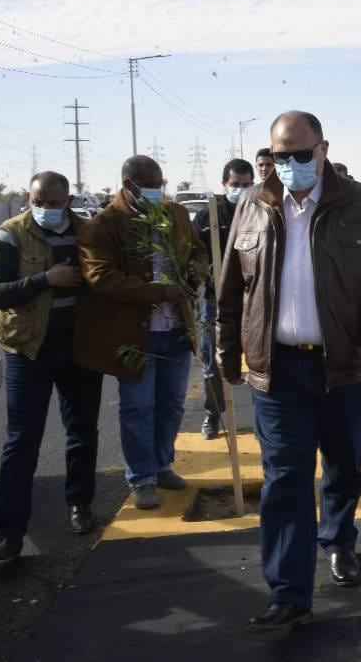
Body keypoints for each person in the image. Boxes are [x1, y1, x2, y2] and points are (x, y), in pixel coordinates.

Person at [218, 110, 361, 634]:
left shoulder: (360, 202)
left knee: (343, 467)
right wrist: (226, 352)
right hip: (276, 370)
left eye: (302, 154)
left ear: (324, 149)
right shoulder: (253, 205)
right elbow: (232, 287)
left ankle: (339, 539)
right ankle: (289, 594)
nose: (293, 165)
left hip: (340, 367)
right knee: (285, 479)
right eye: (282, 157)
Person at [0, 172, 102, 561]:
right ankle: (10, 533)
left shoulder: (88, 231)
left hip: (79, 349)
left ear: (69, 200)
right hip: (28, 350)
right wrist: (45, 279)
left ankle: (80, 505)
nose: (48, 209)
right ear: (29, 198)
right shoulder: (9, 235)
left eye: (55, 202)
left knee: (82, 432)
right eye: (40, 201)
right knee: (22, 441)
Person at [76, 156, 204, 511]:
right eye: (149, 184)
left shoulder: (176, 215)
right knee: (138, 408)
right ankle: (142, 477)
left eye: (160, 183)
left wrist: (194, 276)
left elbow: (197, 252)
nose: (156, 190)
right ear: (128, 185)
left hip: (176, 328)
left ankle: (162, 465)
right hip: (136, 334)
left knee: (172, 404)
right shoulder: (103, 225)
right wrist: (161, 292)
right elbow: (101, 277)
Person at [192, 158, 254, 439]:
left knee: (260, 363)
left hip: (253, 303)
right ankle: (212, 416)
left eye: (245, 185)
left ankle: (263, 420)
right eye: (234, 185)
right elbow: (193, 256)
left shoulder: (259, 213)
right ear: (223, 185)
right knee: (212, 365)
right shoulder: (209, 216)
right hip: (214, 303)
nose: (239, 190)